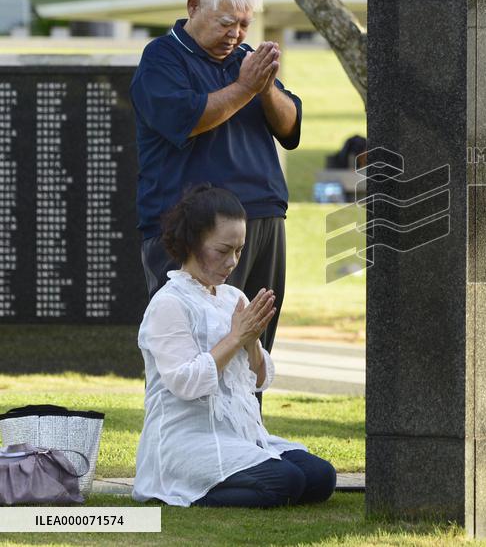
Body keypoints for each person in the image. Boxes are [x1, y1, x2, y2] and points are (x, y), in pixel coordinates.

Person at [130, 0, 301, 357]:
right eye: (226, 21)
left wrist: (264, 87)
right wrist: (246, 87)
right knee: (200, 345)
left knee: (255, 348)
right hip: (194, 225)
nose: (236, 33)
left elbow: (291, 128)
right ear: (193, 7)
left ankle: (248, 421)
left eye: (244, 23)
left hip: (262, 217)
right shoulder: (161, 58)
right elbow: (189, 119)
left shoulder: (248, 62)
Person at [133, 185, 336, 507]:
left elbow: (258, 380)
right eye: (223, 250)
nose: (232, 261)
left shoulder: (233, 297)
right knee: (286, 482)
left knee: (320, 477)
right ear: (191, 243)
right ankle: (182, 490)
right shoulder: (169, 303)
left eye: (239, 250)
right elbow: (186, 384)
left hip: (238, 433)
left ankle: (249, 472)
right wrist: (235, 338)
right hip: (186, 439)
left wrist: (252, 341)